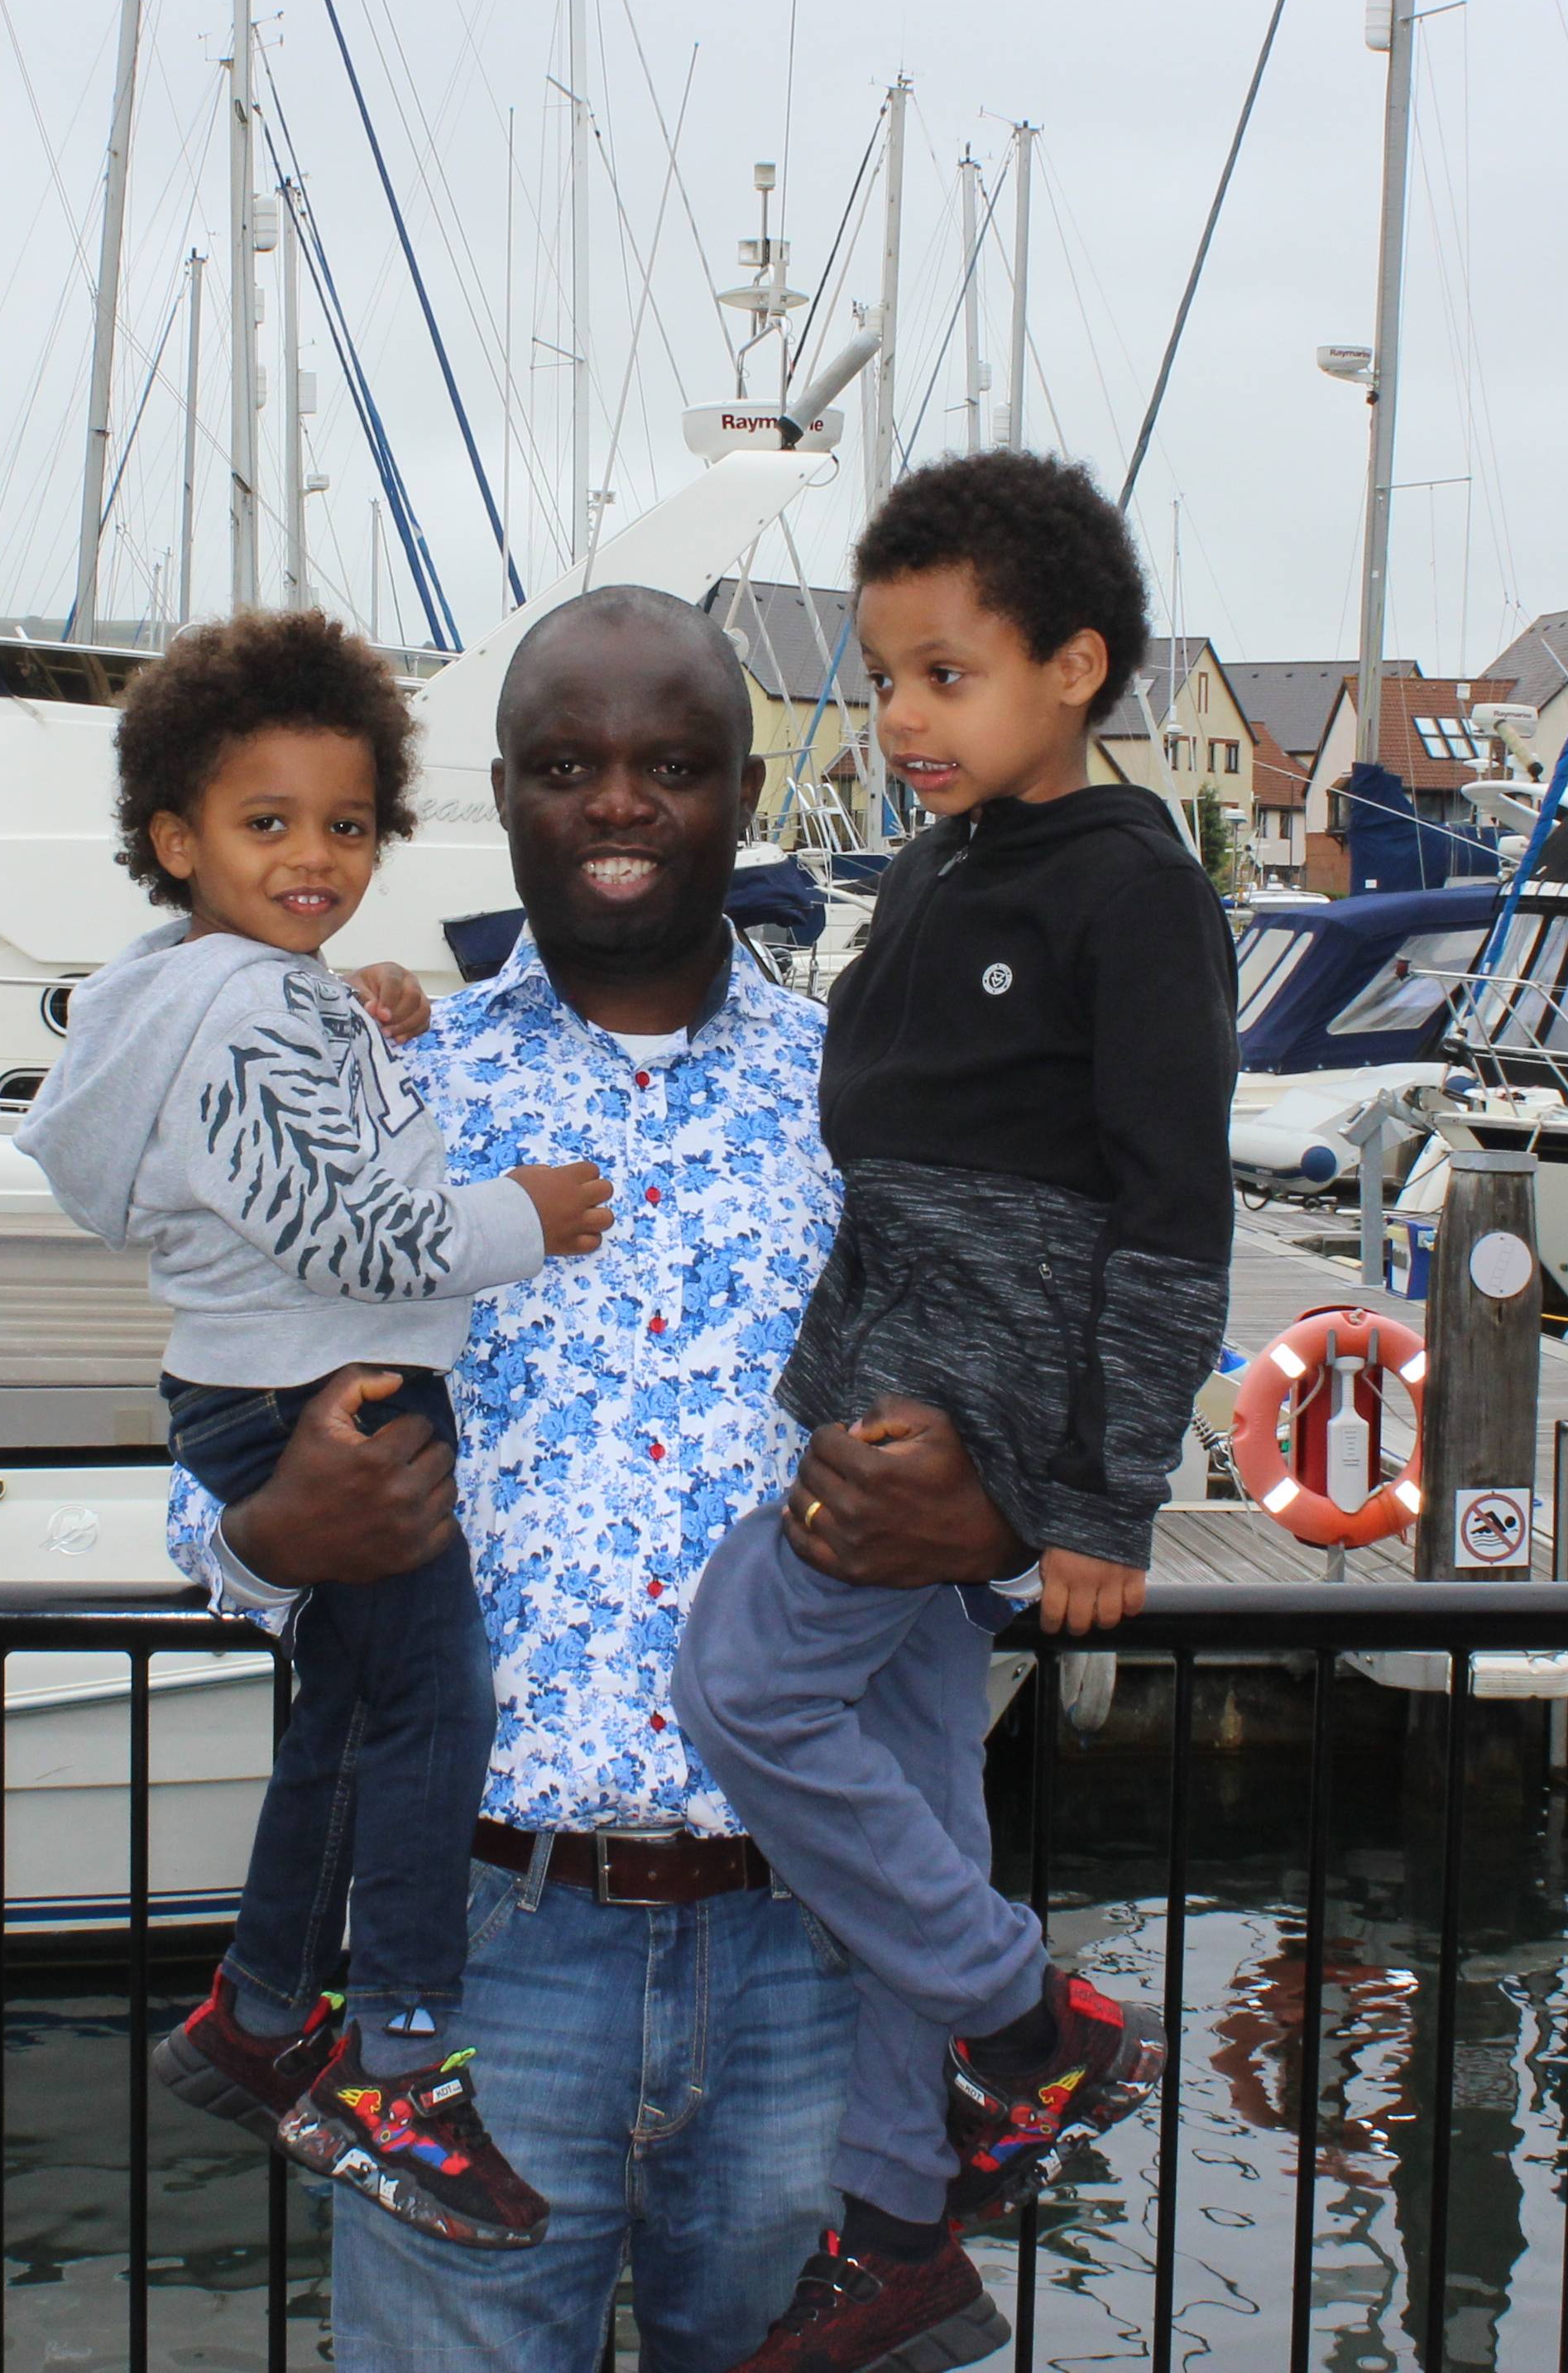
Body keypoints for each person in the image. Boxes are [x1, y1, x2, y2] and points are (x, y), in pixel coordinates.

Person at [171, 582, 1006, 2373]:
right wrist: (266, 1533)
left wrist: (993, 1524)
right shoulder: (381, 1090)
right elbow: (225, 1430)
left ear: (744, 794)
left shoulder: (879, 1099)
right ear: (503, 793)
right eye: (566, 766)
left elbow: (1032, 1412)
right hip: (476, 1959)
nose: (618, 803)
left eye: (672, 766)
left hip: (818, 1944)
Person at [673, 451, 1239, 2373]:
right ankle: (900, 2230)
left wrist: (1103, 1504)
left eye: (947, 675)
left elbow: (1172, 1220)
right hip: (882, 1363)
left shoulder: (1136, 890)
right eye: (884, 678)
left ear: (1074, 669)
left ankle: (1034, 2027)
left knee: (745, 1688)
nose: (903, 718)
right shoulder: (936, 867)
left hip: (972, 1402)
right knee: (916, 1790)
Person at [22, 608, 613, 2250]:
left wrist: (355, 1017)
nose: (315, 859)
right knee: (436, 1707)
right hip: (328, 1391)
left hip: (256, 1386)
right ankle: (398, 2064)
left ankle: (264, 2009)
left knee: (349, 1712)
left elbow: (277, 1134)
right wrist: (529, 1215)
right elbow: (364, 1237)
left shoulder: (190, 990)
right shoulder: (255, 1011)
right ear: (177, 838)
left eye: (347, 827)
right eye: (267, 823)